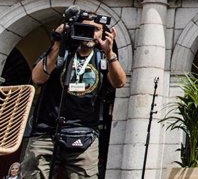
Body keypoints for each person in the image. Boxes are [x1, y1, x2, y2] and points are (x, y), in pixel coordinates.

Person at [21, 10, 126, 179]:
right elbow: (37, 78)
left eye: (96, 29)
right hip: (46, 133)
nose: (91, 33)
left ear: (103, 32)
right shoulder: (61, 54)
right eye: (85, 28)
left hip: (84, 134)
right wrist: (57, 44)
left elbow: (119, 82)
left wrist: (110, 53)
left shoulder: (102, 59)